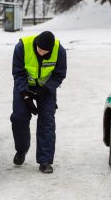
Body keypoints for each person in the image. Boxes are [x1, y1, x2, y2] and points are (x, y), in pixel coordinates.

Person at [10, 31, 67, 173]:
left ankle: (45, 161)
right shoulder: (22, 47)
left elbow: (59, 74)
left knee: (47, 121)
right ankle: (21, 150)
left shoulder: (59, 51)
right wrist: (25, 94)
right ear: (36, 44)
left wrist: (46, 89)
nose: (41, 53)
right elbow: (18, 73)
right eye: (39, 50)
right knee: (19, 118)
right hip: (24, 86)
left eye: (45, 51)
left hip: (46, 89)